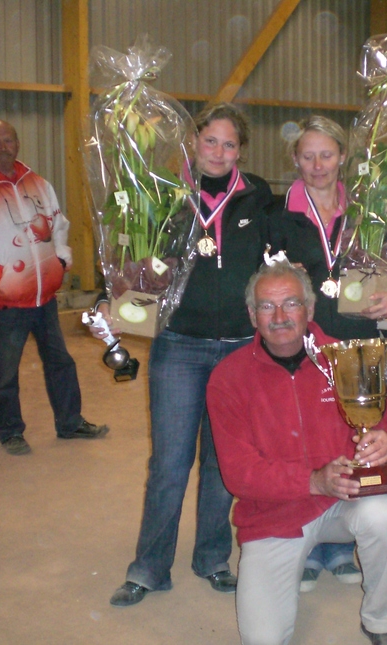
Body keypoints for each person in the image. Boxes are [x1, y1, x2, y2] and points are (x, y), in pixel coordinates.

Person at [93, 103, 273, 606]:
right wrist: (111, 300)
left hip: (239, 349)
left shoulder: (258, 196)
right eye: (210, 141)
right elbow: (130, 256)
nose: (218, 152)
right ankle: (149, 568)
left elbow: (284, 253)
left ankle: (212, 558)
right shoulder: (163, 195)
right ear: (193, 142)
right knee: (170, 464)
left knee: (222, 463)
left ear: (241, 150)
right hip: (179, 345)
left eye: (229, 144)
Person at [207, 260, 387, 645]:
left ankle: (382, 622)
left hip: (345, 500)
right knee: (262, 639)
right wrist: (312, 481)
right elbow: (238, 473)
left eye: (291, 303)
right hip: (274, 515)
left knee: (383, 515)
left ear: (311, 308)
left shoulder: (348, 357)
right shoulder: (229, 377)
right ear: (252, 315)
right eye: (267, 306)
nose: (280, 317)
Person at [268, 115, 387, 592]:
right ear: (295, 160)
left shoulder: (369, 211)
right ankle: (309, 544)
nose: (318, 165)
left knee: (352, 439)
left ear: (343, 158)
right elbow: (261, 281)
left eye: (327, 155)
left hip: (360, 345)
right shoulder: (278, 216)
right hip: (302, 349)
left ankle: (337, 545)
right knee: (304, 443)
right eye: (308, 156)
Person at [0, 120, 108, 456]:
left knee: (61, 362)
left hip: (44, 299)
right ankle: (10, 432)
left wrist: (60, 256)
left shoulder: (38, 183)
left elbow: (58, 224)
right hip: (3, 305)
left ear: (17, 144)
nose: (2, 147)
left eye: (8, 140)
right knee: (5, 372)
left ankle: (70, 422)